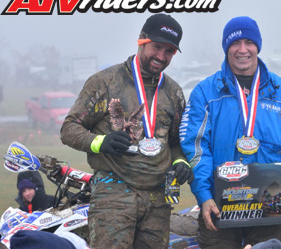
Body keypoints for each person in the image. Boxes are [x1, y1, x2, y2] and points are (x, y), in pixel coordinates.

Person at [179, 16, 281, 248]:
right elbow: (196, 149)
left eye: (249, 42)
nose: (242, 50)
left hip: (272, 207)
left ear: (258, 46)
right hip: (220, 207)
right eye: (235, 43)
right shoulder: (206, 93)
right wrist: (204, 197)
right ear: (226, 48)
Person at [60, 13, 193, 249]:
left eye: (169, 51)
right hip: (114, 192)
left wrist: (180, 162)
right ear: (141, 39)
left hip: (157, 198)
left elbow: (175, 142)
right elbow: (69, 129)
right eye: (157, 47)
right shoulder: (105, 82)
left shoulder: (173, 92)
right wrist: (100, 142)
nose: (161, 57)